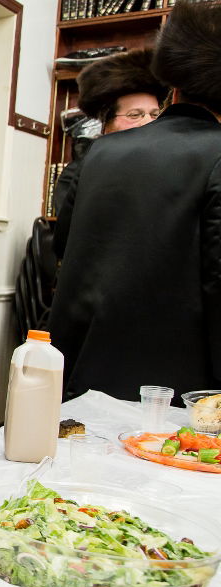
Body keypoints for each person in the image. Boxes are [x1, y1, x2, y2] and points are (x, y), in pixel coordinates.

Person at [48, 1, 221, 403]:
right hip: (179, 397)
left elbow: (68, 249)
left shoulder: (101, 154)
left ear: (173, 82)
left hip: (86, 378)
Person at [53, 48, 169, 253]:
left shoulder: (170, 167)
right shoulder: (80, 171)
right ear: (107, 125)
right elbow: (66, 240)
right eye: (135, 115)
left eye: (154, 114)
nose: (148, 122)